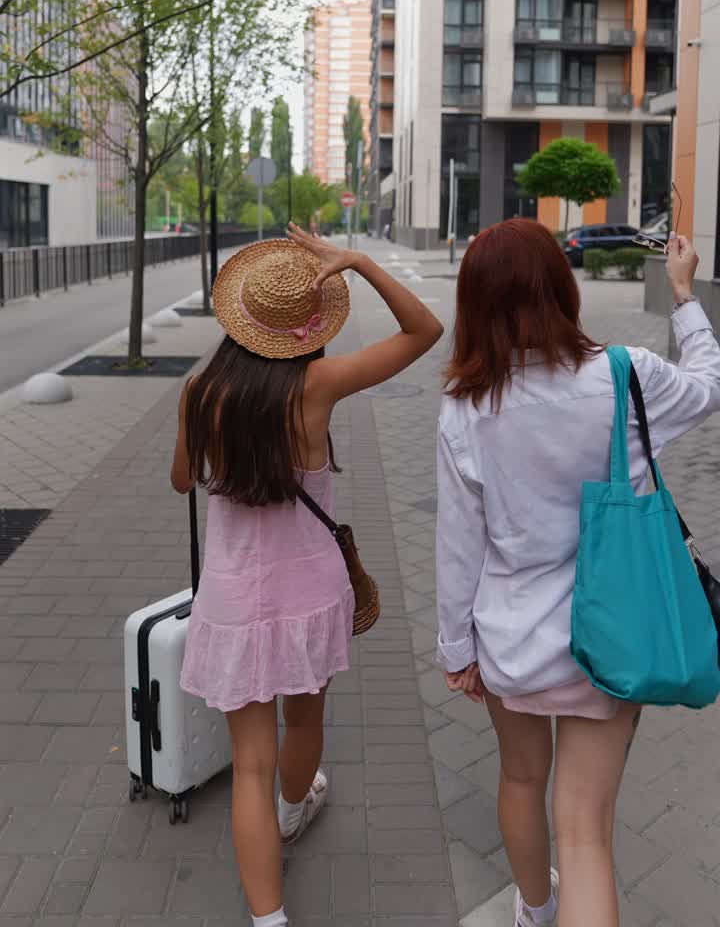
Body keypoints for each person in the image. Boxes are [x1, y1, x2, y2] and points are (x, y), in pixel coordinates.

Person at [435, 218, 720, 927]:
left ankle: (535, 912)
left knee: (520, 780)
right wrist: (683, 294)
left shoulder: (468, 407)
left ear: (474, 305)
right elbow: (710, 386)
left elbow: (458, 544)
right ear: (563, 290)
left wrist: (455, 647)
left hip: (511, 637)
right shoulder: (626, 375)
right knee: (587, 831)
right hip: (617, 638)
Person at [171, 224, 443, 927]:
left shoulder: (201, 393)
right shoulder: (318, 384)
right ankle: (294, 814)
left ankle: (269, 920)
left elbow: (181, 482)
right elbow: (425, 330)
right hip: (312, 592)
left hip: (232, 596)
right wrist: (357, 261)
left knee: (248, 766)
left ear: (240, 317)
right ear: (306, 329)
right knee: (307, 718)